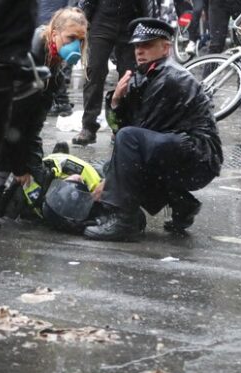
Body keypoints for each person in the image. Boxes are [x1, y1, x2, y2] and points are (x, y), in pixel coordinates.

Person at [83, 17, 222, 241]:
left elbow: (133, 136)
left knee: (127, 152)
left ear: (165, 48)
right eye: (137, 45)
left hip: (199, 156)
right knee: (117, 161)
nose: (139, 51)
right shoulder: (146, 73)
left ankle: (124, 220)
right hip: (176, 148)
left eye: (147, 45)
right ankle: (182, 204)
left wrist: (109, 185)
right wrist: (116, 101)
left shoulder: (170, 77)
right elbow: (122, 131)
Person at [0, 7, 88, 217]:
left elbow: (33, 123)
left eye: (80, 40)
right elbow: (13, 122)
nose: (75, 45)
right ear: (54, 32)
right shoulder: (31, 56)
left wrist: (32, 164)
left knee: (17, 146)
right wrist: (21, 167)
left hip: (3, 110)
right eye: (70, 37)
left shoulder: (54, 67)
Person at [72, 0, 159, 146]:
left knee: (128, 75)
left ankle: (120, 126)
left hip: (131, 20)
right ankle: (88, 126)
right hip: (102, 19)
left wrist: (149, 24)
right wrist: (80, 19)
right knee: (94, 70)